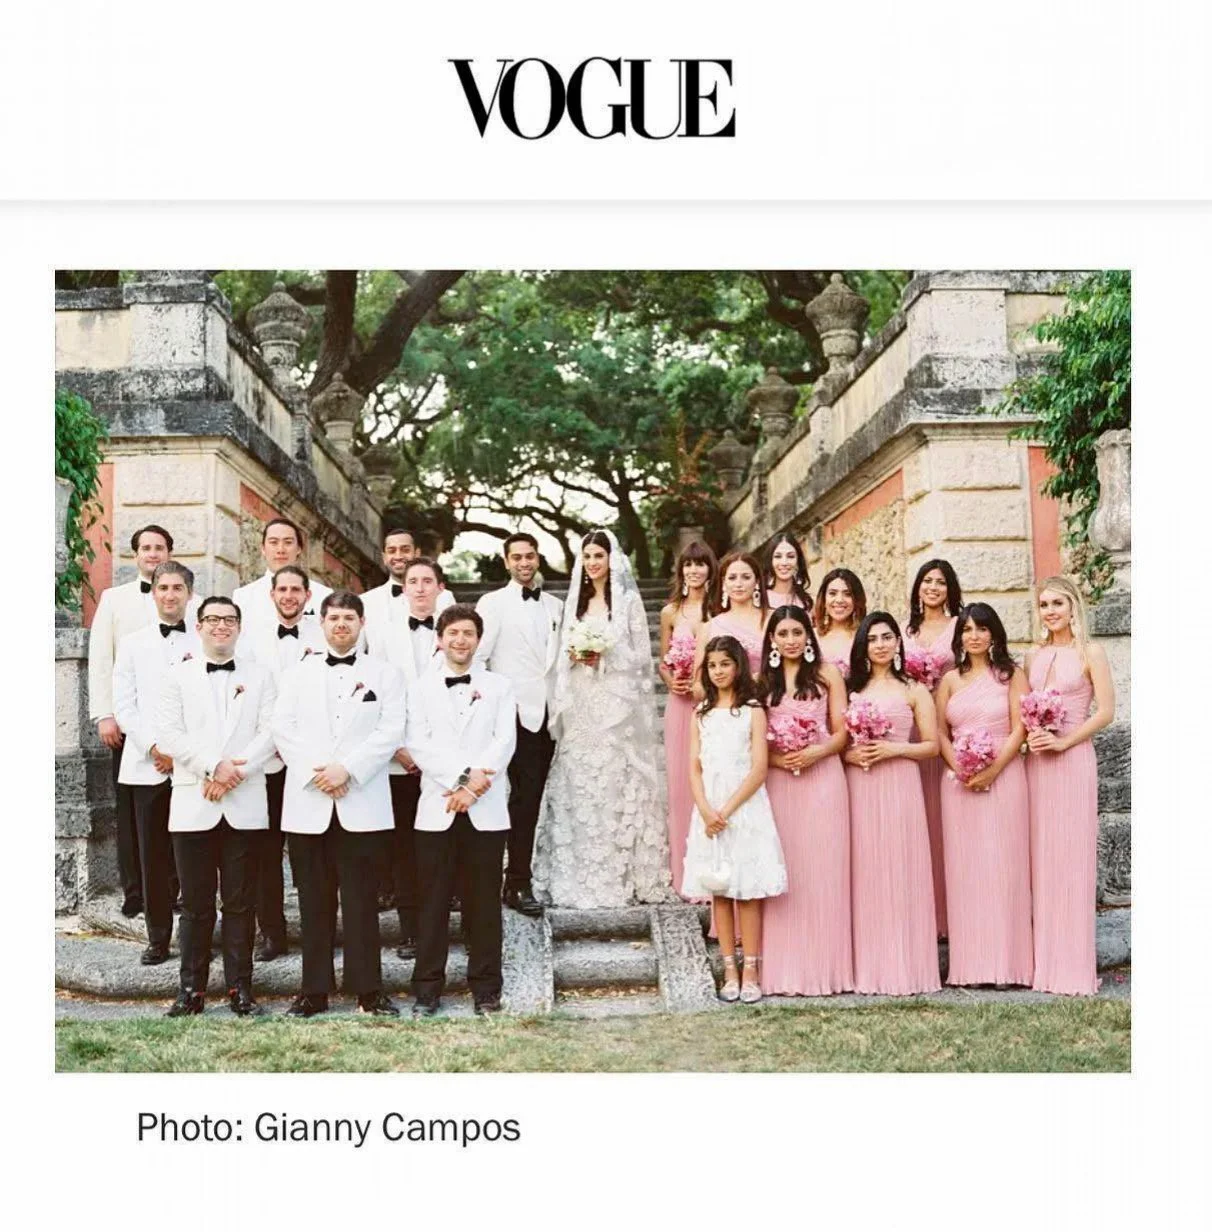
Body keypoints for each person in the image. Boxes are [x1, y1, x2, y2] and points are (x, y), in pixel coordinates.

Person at [271, 591, 405, 1017]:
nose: (341, 624)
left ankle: (369, 989)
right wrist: (320, 772)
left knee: (363, 900)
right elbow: (282, 728)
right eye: (334, 618)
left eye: (349, 617)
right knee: (313, 900)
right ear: (321, 623)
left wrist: (346, 769)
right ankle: (314, 990)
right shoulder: (295, 674)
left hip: (361, 798)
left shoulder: (385, 675)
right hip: (310, 802)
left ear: (362, 623)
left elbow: (390, 730)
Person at [533, 529, 670, 908]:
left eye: (599, 555)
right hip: (580, 702)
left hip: (615, 704)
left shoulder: (627, 601)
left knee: (611, 782)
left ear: (613, 559)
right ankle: (575, 872)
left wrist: (602, 655)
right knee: (578, 783)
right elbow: (559, 654)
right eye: (588, 556)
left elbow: (642, 657)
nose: (593, 562)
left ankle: (617, 871)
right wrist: (576, 656)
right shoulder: (572, 602)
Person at [154, 596, 277, 1017]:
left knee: (242, 903)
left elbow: (271, 732)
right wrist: (212, 768)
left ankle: (241, 990)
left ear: (239, 627)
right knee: (195, 904)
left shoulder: (261, 676)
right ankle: (191, 991)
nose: (221, 626)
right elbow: (168, 732)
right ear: (199, 627)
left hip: (243, 802)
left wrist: (233, 773)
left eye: (229, 620)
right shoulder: (175, 677)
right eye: (212, 619)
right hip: (193, 802)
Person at [405, 605, 518, 1017]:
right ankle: (427, 989)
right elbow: (418, 744)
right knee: (431, 902)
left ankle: (486, 989)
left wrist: (472, 790)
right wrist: (459, 781)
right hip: (436, 808)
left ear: (478, 639)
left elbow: (504, 741)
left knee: (483, 903)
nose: (460, 640)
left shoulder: (501, 687)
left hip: (486, 809)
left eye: (468, 633)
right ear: (439, 638)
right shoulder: (418, 689)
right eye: (452, 633)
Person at [88, 524, 186, 916]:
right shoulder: (114, 599)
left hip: (177, 731)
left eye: (160, 547)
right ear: (136, 555)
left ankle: (175, 888)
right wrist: (104, 714)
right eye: (146, 547)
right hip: (130, 724)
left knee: (176, 810)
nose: (153, 553)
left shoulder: (185, 600)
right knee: (132, 813)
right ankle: (135, 891)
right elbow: (101, 660)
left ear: (169, 552)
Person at [1024, 575, 1115, 996]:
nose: (1050, 611)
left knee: (1072, 858)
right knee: (1042, 859)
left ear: (1073, 606)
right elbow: (1023, 712)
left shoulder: (1090, 652)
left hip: (1074, 759)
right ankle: (1045, 966)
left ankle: (1074, 969)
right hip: (1039, 765)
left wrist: (1064, 740)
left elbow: (1106, 712)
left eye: (1057, 603)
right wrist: (1034, 736)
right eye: (1044, 605)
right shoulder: (1034, 656)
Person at [682, 636, 786, 1003]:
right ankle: (728, 968)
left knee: (748, 891)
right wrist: (707, 810)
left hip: (744, 807)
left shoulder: (753, 709)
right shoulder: (701, 713)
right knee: (720, 890)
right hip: (709, 809)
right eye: (712, 666)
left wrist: (726, 811)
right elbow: (693, 766)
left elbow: (759, 768)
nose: (719, 671)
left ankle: (752, 969)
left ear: (738, 666)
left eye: (725, 664)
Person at [935, 602, 1033, 988]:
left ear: (994, 633)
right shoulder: (949, 681)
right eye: (967, 630)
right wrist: (958, 766)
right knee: (966, 871)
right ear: (959, 636)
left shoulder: (1011, 675)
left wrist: (992, 769)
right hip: (958, 783)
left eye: (981, 628)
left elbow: (1018, 730)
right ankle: (971, 967)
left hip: (1005, 777)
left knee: (1004, 867)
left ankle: (1009, 966)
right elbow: (940, 732)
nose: (974, 636)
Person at [844, 611, 941, 995]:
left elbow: (932, 745)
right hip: (861, 786)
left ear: (898, 643)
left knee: (902, 867)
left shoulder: (914, 690)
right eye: (873, 639)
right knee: (868, 871)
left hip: (900, 783)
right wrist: (853, 756)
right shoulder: (853, 690)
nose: (881, 644)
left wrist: (892, 749)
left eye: (887, 637)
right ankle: (870, 967)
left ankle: (908, 967)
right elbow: (841, 747)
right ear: (864, 646)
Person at [758, 606, 853, 995]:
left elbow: (843, 731)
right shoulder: (761, 682)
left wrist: (817, 752)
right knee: (788, 870)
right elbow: (755, 739)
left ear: (808, 635)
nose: (791, 640)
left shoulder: (828, 675)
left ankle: (828, 969)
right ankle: (786, 968)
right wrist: (779, 759)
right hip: (781, 782)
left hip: (824, 778)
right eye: (783, 634)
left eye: (798, 632)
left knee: (824, 867)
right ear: (773, 641)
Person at [112, 561, 202, 965]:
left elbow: (208, 707)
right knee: (152, 856)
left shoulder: (204, 641)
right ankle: (158, 937)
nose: (170, 594)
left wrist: (184, 754)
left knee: (195, 855)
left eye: (178, 588)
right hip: (146, 765)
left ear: (189, 594)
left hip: (192, 769)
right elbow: (125, 706)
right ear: (154, 593)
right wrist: (154, 748)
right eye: (163, 587)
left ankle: (200, 936)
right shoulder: (132, 644)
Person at [239, 565, 328, 962]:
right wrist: (266, 747)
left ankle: (319, 930)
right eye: (283, 589)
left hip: (312, 762)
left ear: (308, 597)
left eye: (297, 590)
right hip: (267, 762)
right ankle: (271, 932)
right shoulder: (251, 641)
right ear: (271, 595)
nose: (289, 595)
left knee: (315, 852)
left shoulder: (326, 634)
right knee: (265, 853)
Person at [474, 531, 564, 917]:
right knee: (501, 797)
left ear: (537, 559)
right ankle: (495, 881)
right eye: (517, 557)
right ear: (506, 561)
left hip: (547, 716)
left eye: (530, 556)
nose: (524, 563)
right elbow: (478, 657)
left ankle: (519, 879)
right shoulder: (492, 604)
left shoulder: (556, 607)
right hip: (506, 712)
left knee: (529, 802)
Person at [365, 556, 446, 958]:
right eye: (412, 581)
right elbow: (376, 695)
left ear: (439, 588)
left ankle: (441, 928)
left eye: (426, 581)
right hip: (396, 760)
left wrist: (432, 754)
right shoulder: (381, 634)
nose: (418, 588)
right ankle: (411, 930)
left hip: (441, 762)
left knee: (439, 848)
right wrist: (397, 746)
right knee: (402, 851)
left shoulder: (457, 633)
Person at [903, 558, 964, 940]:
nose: (933, 588)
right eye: (927, 581)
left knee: (946, 819)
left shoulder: (961, 627)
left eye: (940, 582)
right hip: (912, 729)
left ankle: (947, 914)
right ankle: (921, 911)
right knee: (917, 819)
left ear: (950, 589)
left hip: (948, 726)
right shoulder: (905, 629)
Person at [657, 540, 716, 897]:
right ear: (681, 571)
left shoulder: (719, 610)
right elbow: (663, 661)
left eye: (701, 564)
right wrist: (672, 678)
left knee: (713, 784)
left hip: (714, 704)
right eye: (688, 565)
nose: (694, 571)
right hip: (679, 706)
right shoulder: (670, 612)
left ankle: (715, 872)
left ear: (711, 569)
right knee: (683, 786)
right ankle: (686, 875)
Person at [361, 525, 454, 658]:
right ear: (384, 557)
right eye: (392, 551)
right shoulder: (367, 601)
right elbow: (357, 652)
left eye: (405, 550)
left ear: (416, 553)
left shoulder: (445, 597)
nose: (398, 556)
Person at [232, 516, 332, 635]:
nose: (281, 549)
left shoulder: (323, 595)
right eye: (273, 542)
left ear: (299, 549)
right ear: (263, 549)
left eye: (288, 542)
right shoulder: (243, 597)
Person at [695, 551, 769, 682]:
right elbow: (698, 685)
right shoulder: (709, 628)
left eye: (746, 577)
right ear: (723, 582)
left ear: (757, 581)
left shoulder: (774, 619)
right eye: (732, 578)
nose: (738, 584)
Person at [813, 567, 866, 678]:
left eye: (847, 594)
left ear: (856, 599)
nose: (839, 600)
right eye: (833, 593)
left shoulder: (864, 636)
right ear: (823, 599)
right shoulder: (812, 636)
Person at [763, 532, 813, 610]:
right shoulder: (761, 599)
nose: (784, 562)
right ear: (770, 561)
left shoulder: (807, 602)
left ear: (798, 561)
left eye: (790, 556)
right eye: (778, 556)